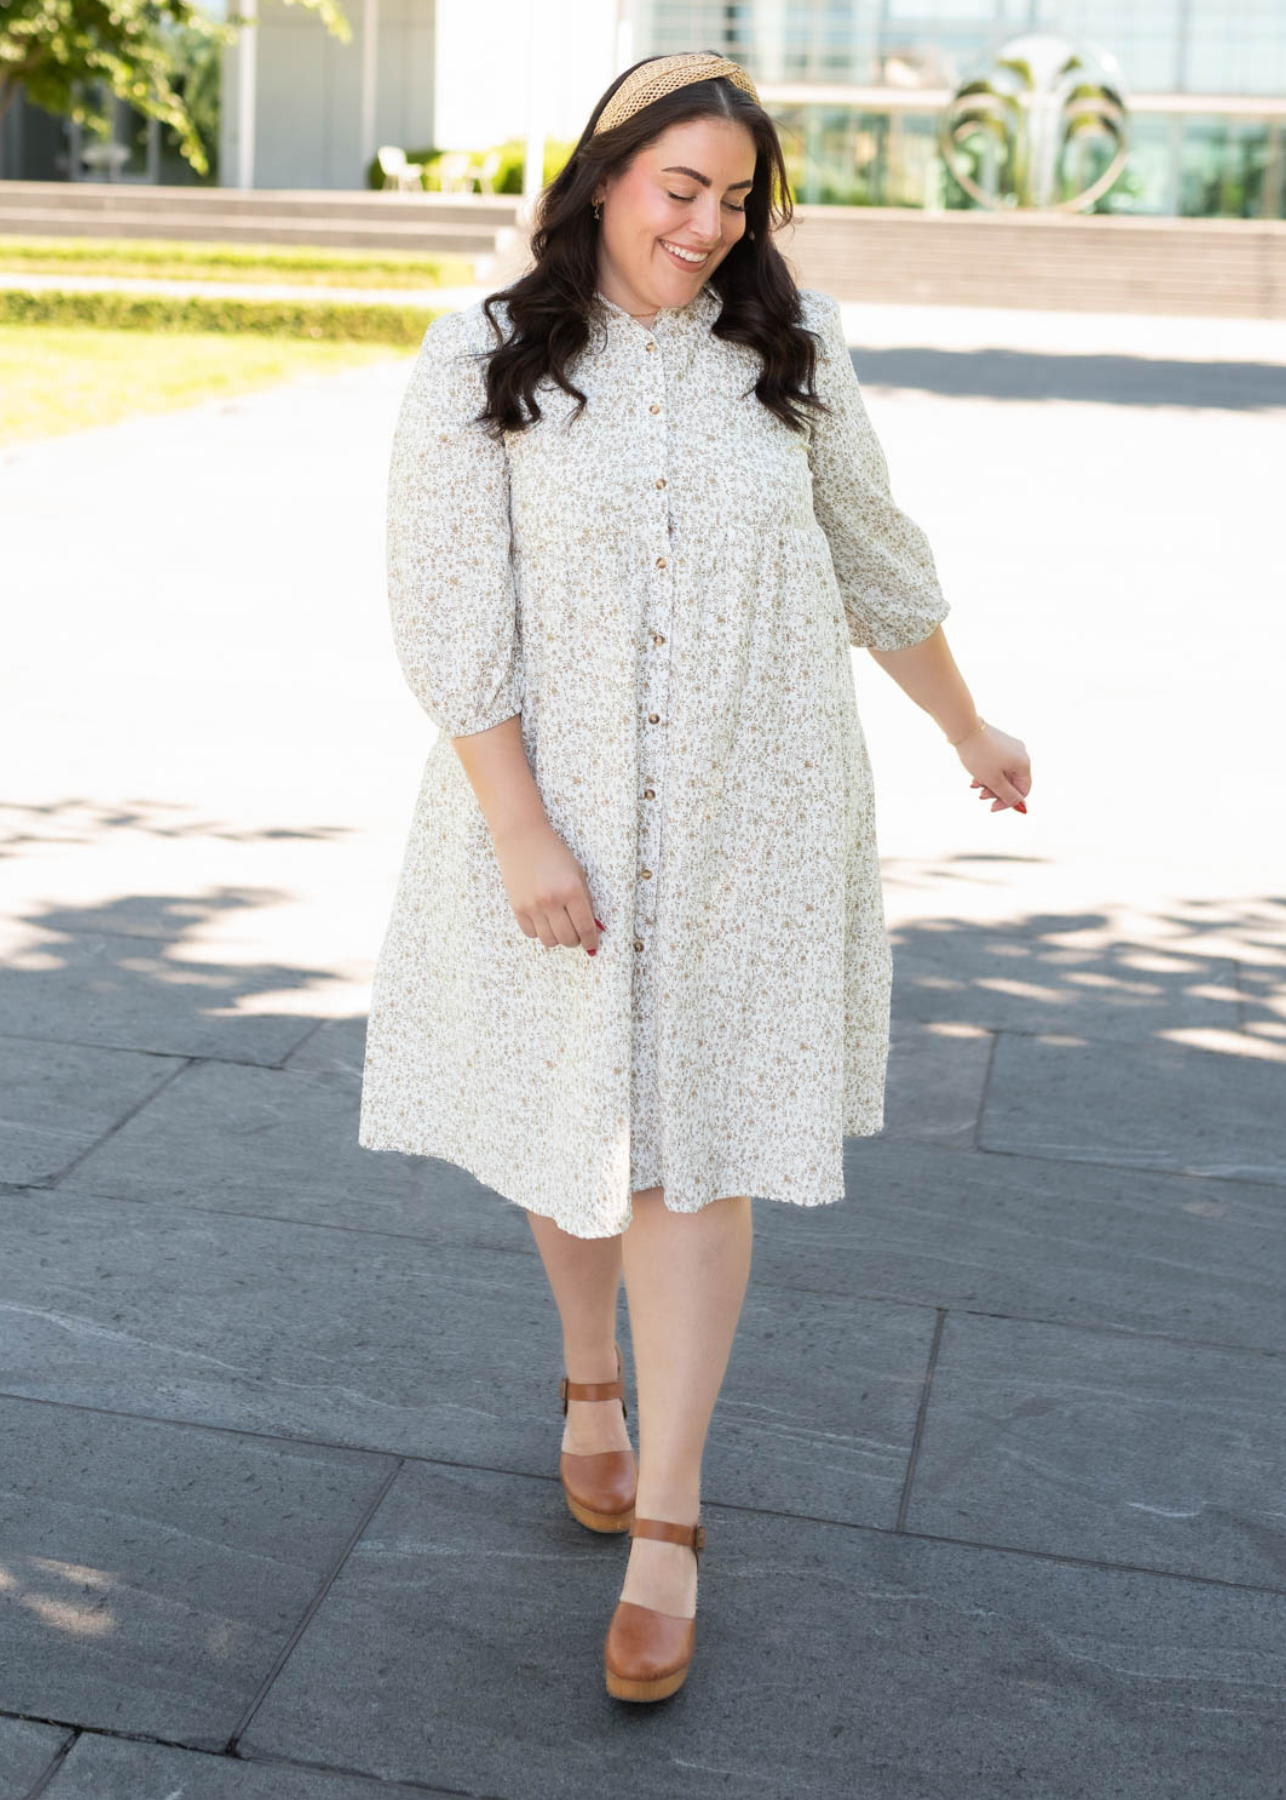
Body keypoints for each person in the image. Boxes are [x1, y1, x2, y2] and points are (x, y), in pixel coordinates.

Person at [358, 49, 1032, 1704]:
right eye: (684, 189)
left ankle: (672, 1516)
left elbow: (871, 548)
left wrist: (967, 723)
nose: (712, 225)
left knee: (697, 1148)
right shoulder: (480, 356)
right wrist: (517, 825)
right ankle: (588, 1378)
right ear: (602, 178)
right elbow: (451, 616)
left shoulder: (785, 355)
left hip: (756, 819)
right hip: (555, 816)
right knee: (565, 1110)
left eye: (738, 200)